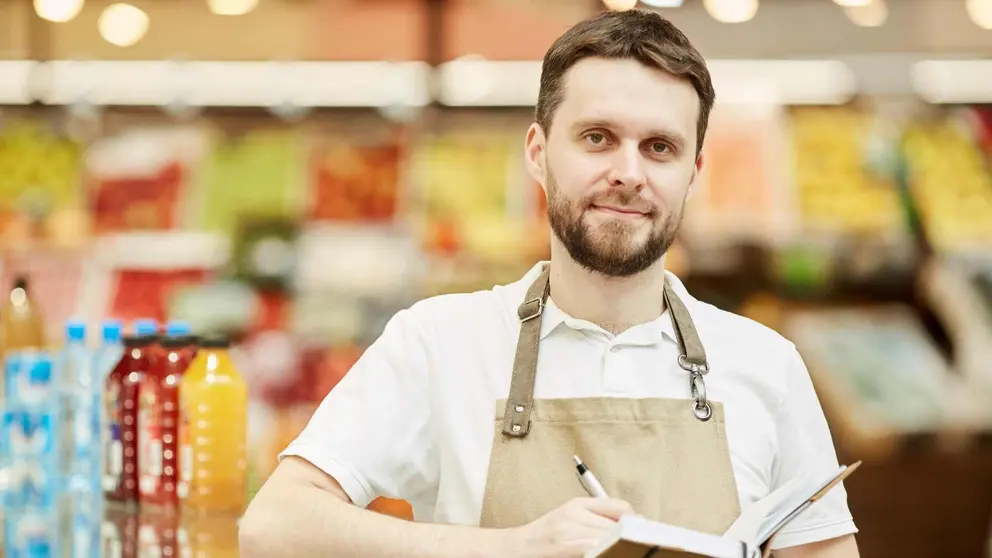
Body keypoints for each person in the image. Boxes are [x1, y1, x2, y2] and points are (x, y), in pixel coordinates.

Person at [239, 9, 860, 558]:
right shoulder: (438, 342)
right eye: (598, 138)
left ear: (694, 170)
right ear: (537, 152)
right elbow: (275, 526)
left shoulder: (769, 365)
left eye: (660, 147)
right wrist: (509, 549)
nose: (628, 172)